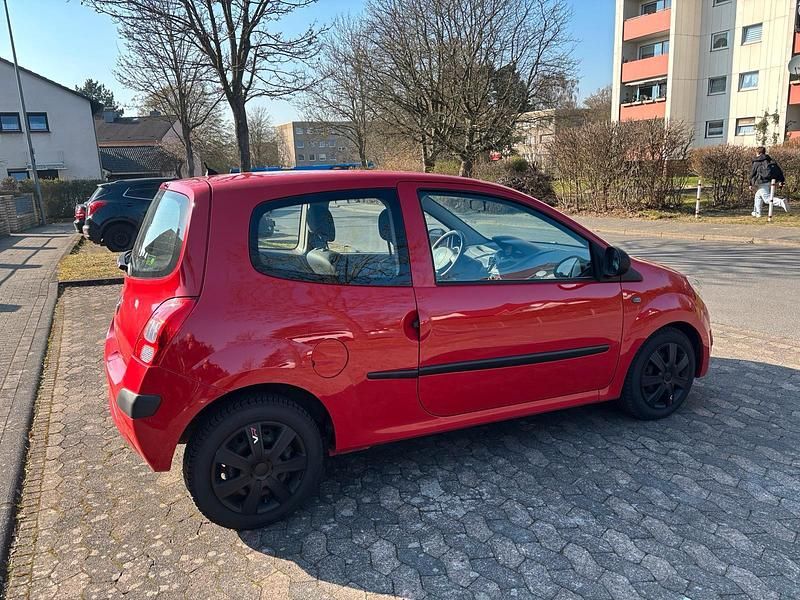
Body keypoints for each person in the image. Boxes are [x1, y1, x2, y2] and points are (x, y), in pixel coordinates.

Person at [750, 146, 787, 217]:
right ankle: (757, 212)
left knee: (766, 199)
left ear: (758, 153)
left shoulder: (757, 161)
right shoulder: (771, 160)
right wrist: (781, 181)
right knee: (758, 196)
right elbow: (779, 171)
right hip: (770, 182)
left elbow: (752, 173)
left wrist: (750, 183)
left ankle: (781, 202)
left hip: (761, 182)